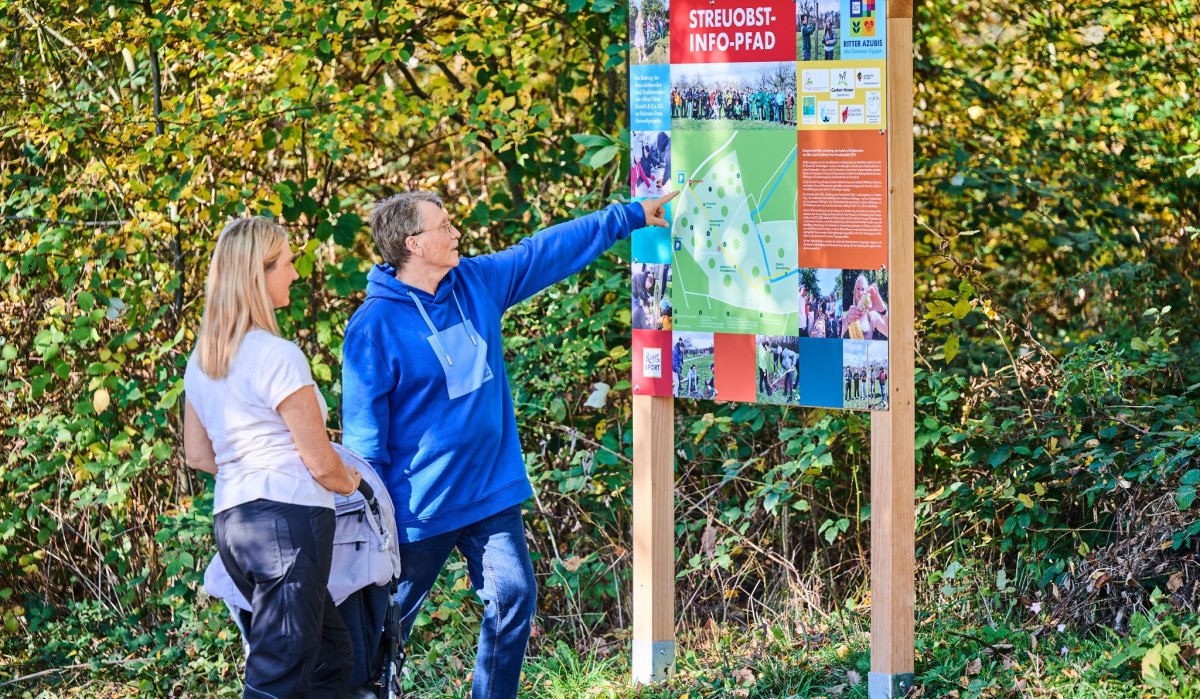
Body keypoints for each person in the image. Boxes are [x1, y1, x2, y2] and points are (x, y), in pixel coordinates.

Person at [341, 190, 677, 699]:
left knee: (514, 596)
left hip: (489, 492)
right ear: (414, 243)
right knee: (382, 633)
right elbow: (364, 444)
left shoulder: (475, 282)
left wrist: (627, 216)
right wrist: (375, 524)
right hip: (417, 511)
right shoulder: (374, 326)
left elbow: (543, 252)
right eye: (445, 226)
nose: (456, 233)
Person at [182, 217, 362, 699]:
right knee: (279, 671)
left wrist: (255, 472)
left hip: (233, 522)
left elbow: (198, 454)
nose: (295, 274)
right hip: (287, 522)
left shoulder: (202, 360)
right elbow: (321, 463)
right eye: (286, 263)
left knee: (328, 655)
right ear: (257, 274)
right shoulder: (278, 355)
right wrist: (356, 485)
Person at [842, 274, 889, 340]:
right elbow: (840, 337)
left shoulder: (873, 316)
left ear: (867, 292)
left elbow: (890, 334)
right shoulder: (849, 315)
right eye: (858, 288)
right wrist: (847, 321)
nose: (860, 292)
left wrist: (883, 310)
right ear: (855, 291)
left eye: (863, 289)